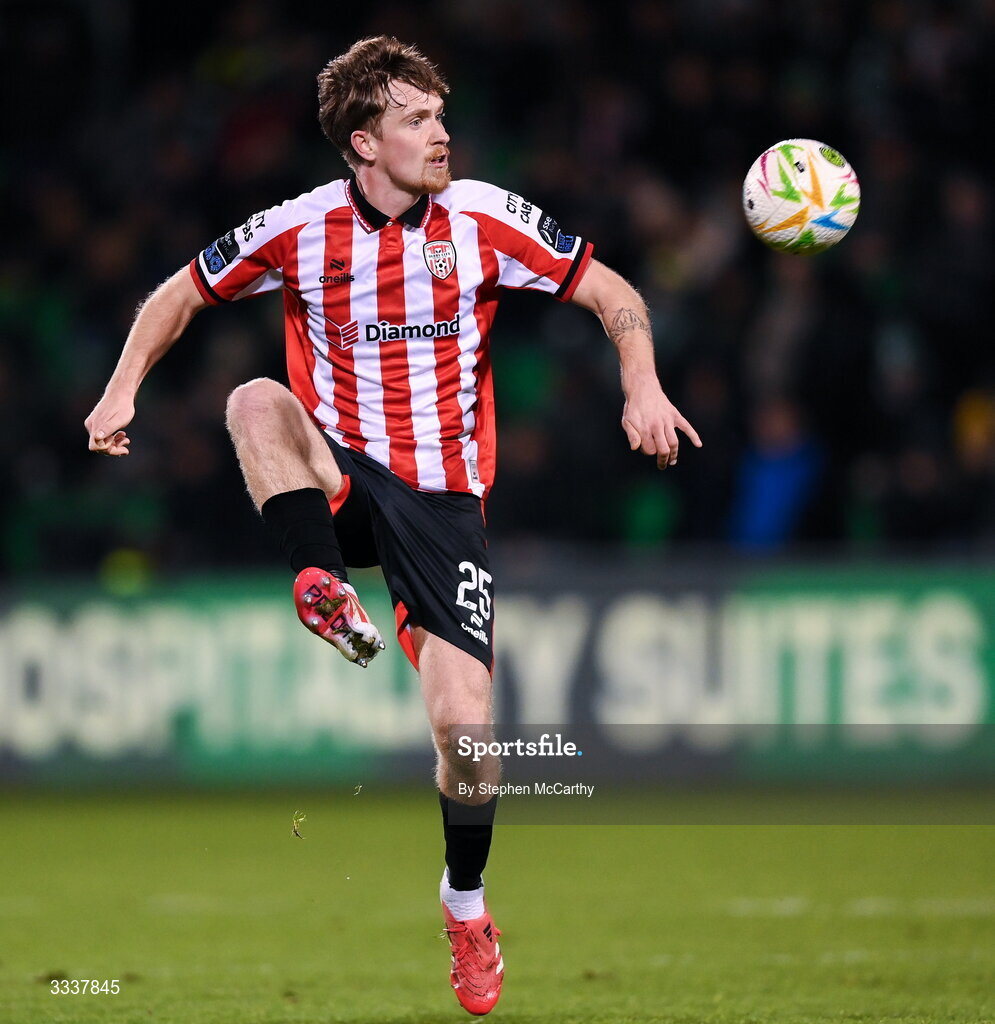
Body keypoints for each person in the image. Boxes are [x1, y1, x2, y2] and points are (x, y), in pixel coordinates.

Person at [84, 35, 701, 1016]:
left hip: (442, 504)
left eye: (439, 115)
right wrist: (120, 390)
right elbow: (177, 294)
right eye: (416, 119)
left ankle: (464, 906)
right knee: (251, 400)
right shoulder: (297, 228)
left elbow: (610, 292)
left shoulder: (484, 218)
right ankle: (316, 582)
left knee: (468, 738)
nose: (440, 133)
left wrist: (642, 383)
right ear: (363, 142)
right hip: (337, 472)